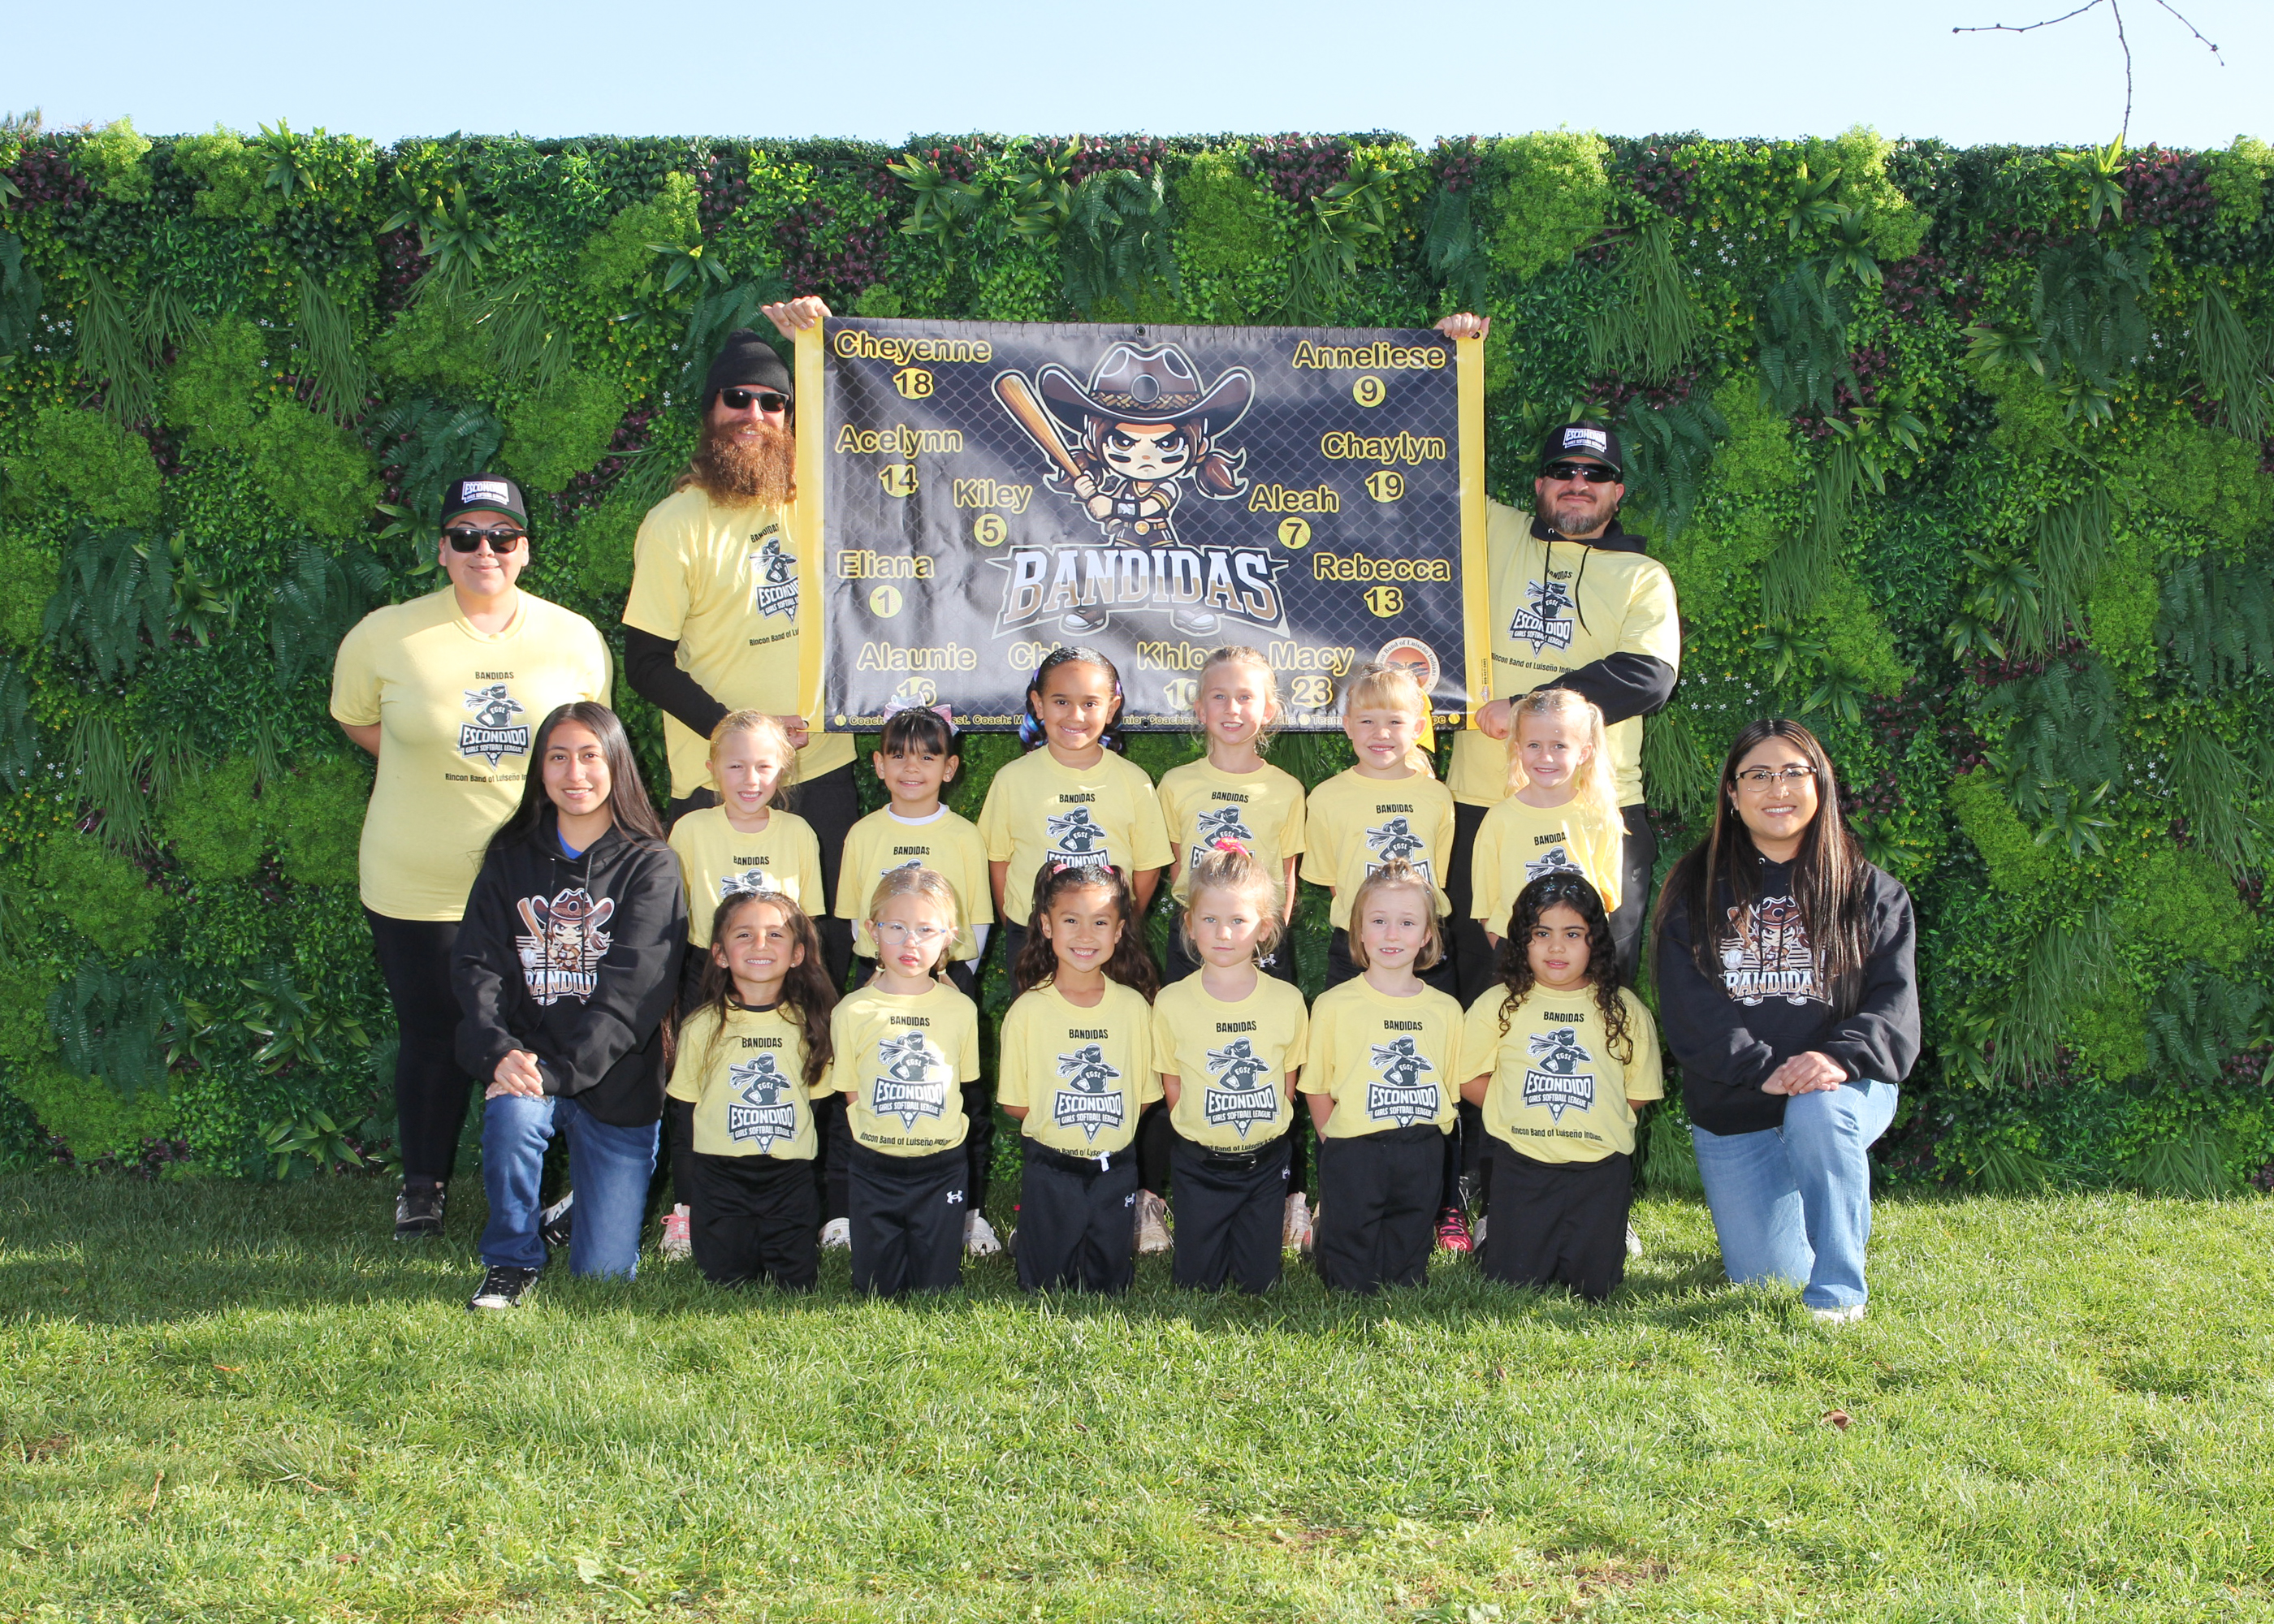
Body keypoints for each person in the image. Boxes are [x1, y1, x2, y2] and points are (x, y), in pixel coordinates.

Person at [330, 473, 612, 1242]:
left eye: (502, 537)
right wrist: (431, 763)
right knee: (432, 1034)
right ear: (442, 550)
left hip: (537, 877)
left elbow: (587, 752)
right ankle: (421, 1188)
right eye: (466, 537)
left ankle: (547, 1191)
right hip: (416, 879)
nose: (485, 551)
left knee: (548, 1029)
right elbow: (360, 723)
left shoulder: (574, 638)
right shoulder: (383, 636)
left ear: (525, 549)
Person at [1437, 316, 1681, 997]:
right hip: (1482, 802)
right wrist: (1443, 361)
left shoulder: (1643, 576)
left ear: (1617, 491)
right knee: (1483, 987)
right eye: (1562, 471)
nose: (1578, 482)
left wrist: (1524, 710)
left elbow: (1648, 676)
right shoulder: (1493, 530)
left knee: (1595, 986)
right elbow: (1428, 463)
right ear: (1540, 484)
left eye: (1595, 474)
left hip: (1597, 809)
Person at [620, 301, 858, 990]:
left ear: (789, 416)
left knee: (823, 958)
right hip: (717, 782)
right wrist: (743, 737)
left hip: (820, 770)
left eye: (772, 402)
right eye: (737, 398)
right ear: (709, 411)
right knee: (708, 967)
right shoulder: (674, 523)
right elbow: (645, 664)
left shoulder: (820, 499)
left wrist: (820, 345)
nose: (754, 414)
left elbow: (876, 429)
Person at [1652, 719, 1919, 1324]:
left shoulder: (1870, 891)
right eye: (1758, 775)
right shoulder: (1695, 887)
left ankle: (1840, 1294)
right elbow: (1687, 1006)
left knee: (1819, 1113)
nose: (1778, 789)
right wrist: (1761, 1068)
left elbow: (1894, 1006)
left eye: (1795, 772)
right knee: (1767, 1276)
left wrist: (1835, 1059)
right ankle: (1806, 1199)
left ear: (1820, 784)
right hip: (1737, 1105)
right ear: (1732, 791)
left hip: (1840, 1089)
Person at [454, 703, 687, 1310]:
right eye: (558, 757)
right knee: (513, 1112)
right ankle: (511, 1260)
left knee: (603, 1278)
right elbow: (477, 965)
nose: (574, 773)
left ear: (617, 766)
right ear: (540, 770)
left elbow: (635, 992)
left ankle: (579, 1207)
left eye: (590, 756)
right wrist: (500, 1053)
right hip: (530, 1065)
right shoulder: (510, 856)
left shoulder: (651, 862)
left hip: (617, 1082)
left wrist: (559, 1073)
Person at [1150, 645, 1307, 1252]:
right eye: (1219, 696)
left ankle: (1287, 1196)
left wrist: (1269, 940)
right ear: (1199, 708)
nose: (1232, 708)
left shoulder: (1285, 789)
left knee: (1272, 1065)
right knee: (1186, 1058)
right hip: (1196, 940)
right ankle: (1169, 1194)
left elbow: (1286, 876)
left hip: (1259, 943)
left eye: (1246, 697)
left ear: (1268, 710)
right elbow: (1173, 869)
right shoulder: (1177, 784)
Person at [833, 702, 998, 1256]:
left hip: (948, 980)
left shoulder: (964, 836)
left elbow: (976, 920)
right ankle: (847, 1210)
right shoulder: (863, 833)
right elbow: (856, 918)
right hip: (878, 978)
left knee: (962, 1096)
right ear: (878, 764)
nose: (912, 768)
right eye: (899, 756)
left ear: (949, 769)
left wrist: (948, 978)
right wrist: (882, 971)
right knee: (859, 1088)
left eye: (928, 758)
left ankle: (969, 1213)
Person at [1459, 872, 1661, 1302]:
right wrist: (1513, 1108)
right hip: (1522, 1165)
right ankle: (1495, 1231)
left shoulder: (1623, 1009)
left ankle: (1605, 1233)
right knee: (1513, 1282)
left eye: (1572, 934)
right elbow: (1466, 1077)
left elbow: (1638, 1091)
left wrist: (1592, 1116)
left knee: (1596, 1287)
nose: (1556, 947)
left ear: (1595, 942)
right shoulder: (1498, 1003)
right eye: (1541, 933)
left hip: (1599, 1170)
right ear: (1521, 940)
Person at [1152, 843, 1309, 1294]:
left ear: (1264, 927)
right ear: (1189, 923)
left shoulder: (1287, 1001)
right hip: (1200, 1163)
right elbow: (1172, 1080)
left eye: (1239, 920)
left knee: (1259, 1284)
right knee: (1196, 1283)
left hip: (1265, 1163)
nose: (1223, 933)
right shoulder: (1172, 1001)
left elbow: (1288, 1078)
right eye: (1209, 919)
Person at [996, 863, 1161, 1294]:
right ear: (1046, 926)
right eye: (1071, 920)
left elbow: (1143, 1094)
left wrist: (1107, 1123)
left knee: (1109, 1286)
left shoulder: (1134, 1008)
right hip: (1051, 1167)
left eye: (1100, 923)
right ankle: (1032, 1237)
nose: (1086, 935)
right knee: (1043, 1286)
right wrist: (1066, 1123)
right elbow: (1015, 1102)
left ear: (1119, 931)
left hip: (1116, 1167)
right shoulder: (1028, 1011)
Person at [1302, 861, 1463, 1294]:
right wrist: (1335, 1142)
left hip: (1422, 1147)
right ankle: (1328, 1242)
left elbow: (1449, 1087)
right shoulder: (1334, 1005)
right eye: (1378, 921)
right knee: (1349, 1277)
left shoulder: (1446, 1010)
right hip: (1354, 1149)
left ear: (1427, 935)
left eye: (1407, 923)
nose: (1392, 935)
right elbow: (1316, 1086)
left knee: (1406, 1271)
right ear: (1358, 930)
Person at [669, 890, 837, 1291]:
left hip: (790, 1176)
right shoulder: (701, 1026)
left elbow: (817, 1105)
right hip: (720, 1176)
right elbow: (684, 1110)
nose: (760, 945)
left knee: (795, 1283)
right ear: (719, 954)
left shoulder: (812, 1025)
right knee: (725, 1281)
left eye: (775, 935)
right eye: (744, 935)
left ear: (797, 954)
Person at [831, 866, 983, 1298]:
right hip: (874, 1166)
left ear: (949, 936)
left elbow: (961, 1086)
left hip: (941, 1166)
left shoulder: (961, 1009)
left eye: (925, 929)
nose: (910, 942)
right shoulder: (852, 1011)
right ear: (871, 931)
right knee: (875, 1289)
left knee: (937, 1288)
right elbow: (852, 1091)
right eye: (896, 927)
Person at [980, 646, 1173, 970]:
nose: (1076, 716)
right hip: (1033, 936)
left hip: (1106, 938)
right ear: (1038, 704)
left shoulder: (1134, 781)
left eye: (1090, 704)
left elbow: (1148, 865)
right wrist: (1019, 921)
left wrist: (1119, 922)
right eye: (1061, 702)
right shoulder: (1012, 779)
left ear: (1112, 708)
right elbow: (998, 859)